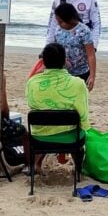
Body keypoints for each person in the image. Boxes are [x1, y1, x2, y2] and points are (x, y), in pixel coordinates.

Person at [26, 43, 90, 173]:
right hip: (71, 138)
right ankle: (78, 169)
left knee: (46, 125)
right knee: (80, 131)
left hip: (40, 137)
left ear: (42, 61)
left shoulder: (32, 83)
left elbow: (33, 105)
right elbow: (83, 114)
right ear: (65, 61)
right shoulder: (78, 83)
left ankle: (35, 165)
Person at [49, 3, 97, 91]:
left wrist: (92, 76)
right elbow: (55, 49)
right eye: (58, 21)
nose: (59, 24)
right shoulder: (58, 30)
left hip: (81, 73)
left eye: (61, 22)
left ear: (70, 19)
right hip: (63, 72)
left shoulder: (84, 30)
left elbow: (91, 55)